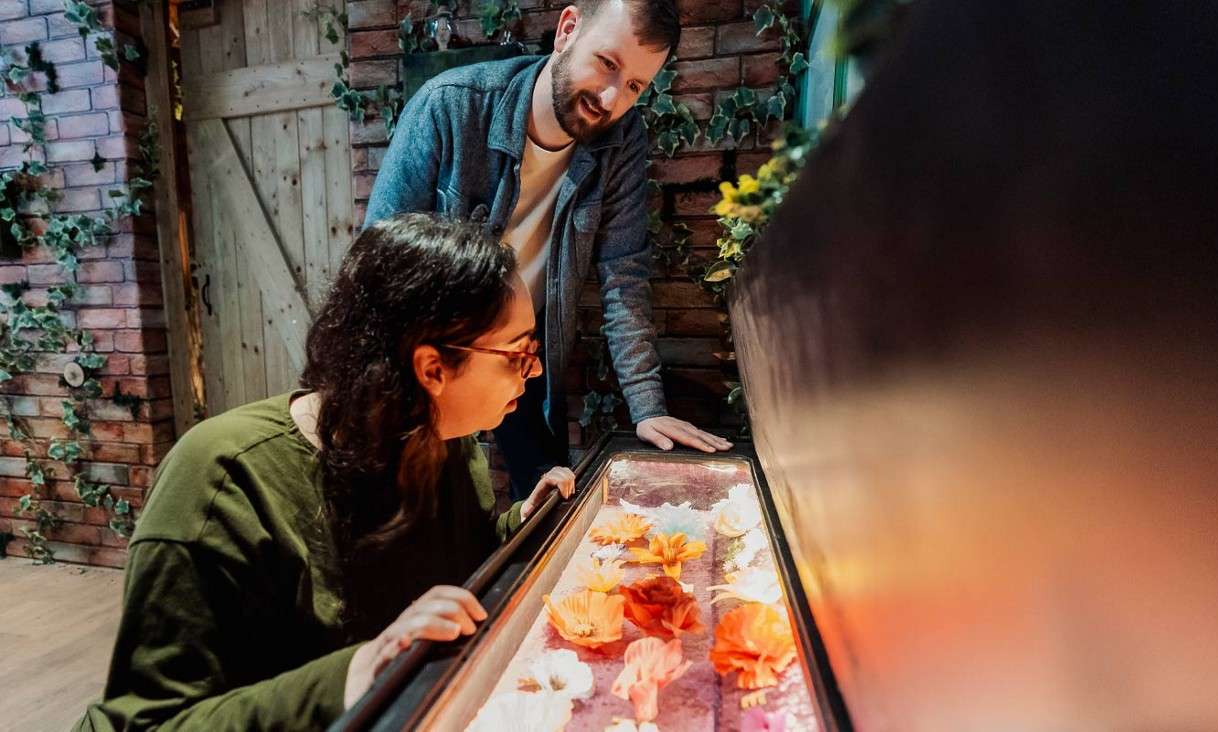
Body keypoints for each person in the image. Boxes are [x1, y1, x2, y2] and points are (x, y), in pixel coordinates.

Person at [76, 214, 576, 730]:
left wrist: (520, 526)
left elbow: (454, 560)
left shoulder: (444, 441)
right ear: (432, 369)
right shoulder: (223, 481)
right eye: (518, 354)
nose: (534, 371)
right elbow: (149, 722)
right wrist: (357, 673)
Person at [365, 0, 733, 501]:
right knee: (416, 500)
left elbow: (623, 273)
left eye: (634, 87)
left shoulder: (621, 139)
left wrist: (647, 408)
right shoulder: (451, 104)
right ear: (567, 29)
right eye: (608, 63)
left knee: (545, 498)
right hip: (432, 352)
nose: (610, 99)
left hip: (525, 346)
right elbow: (379, 264)